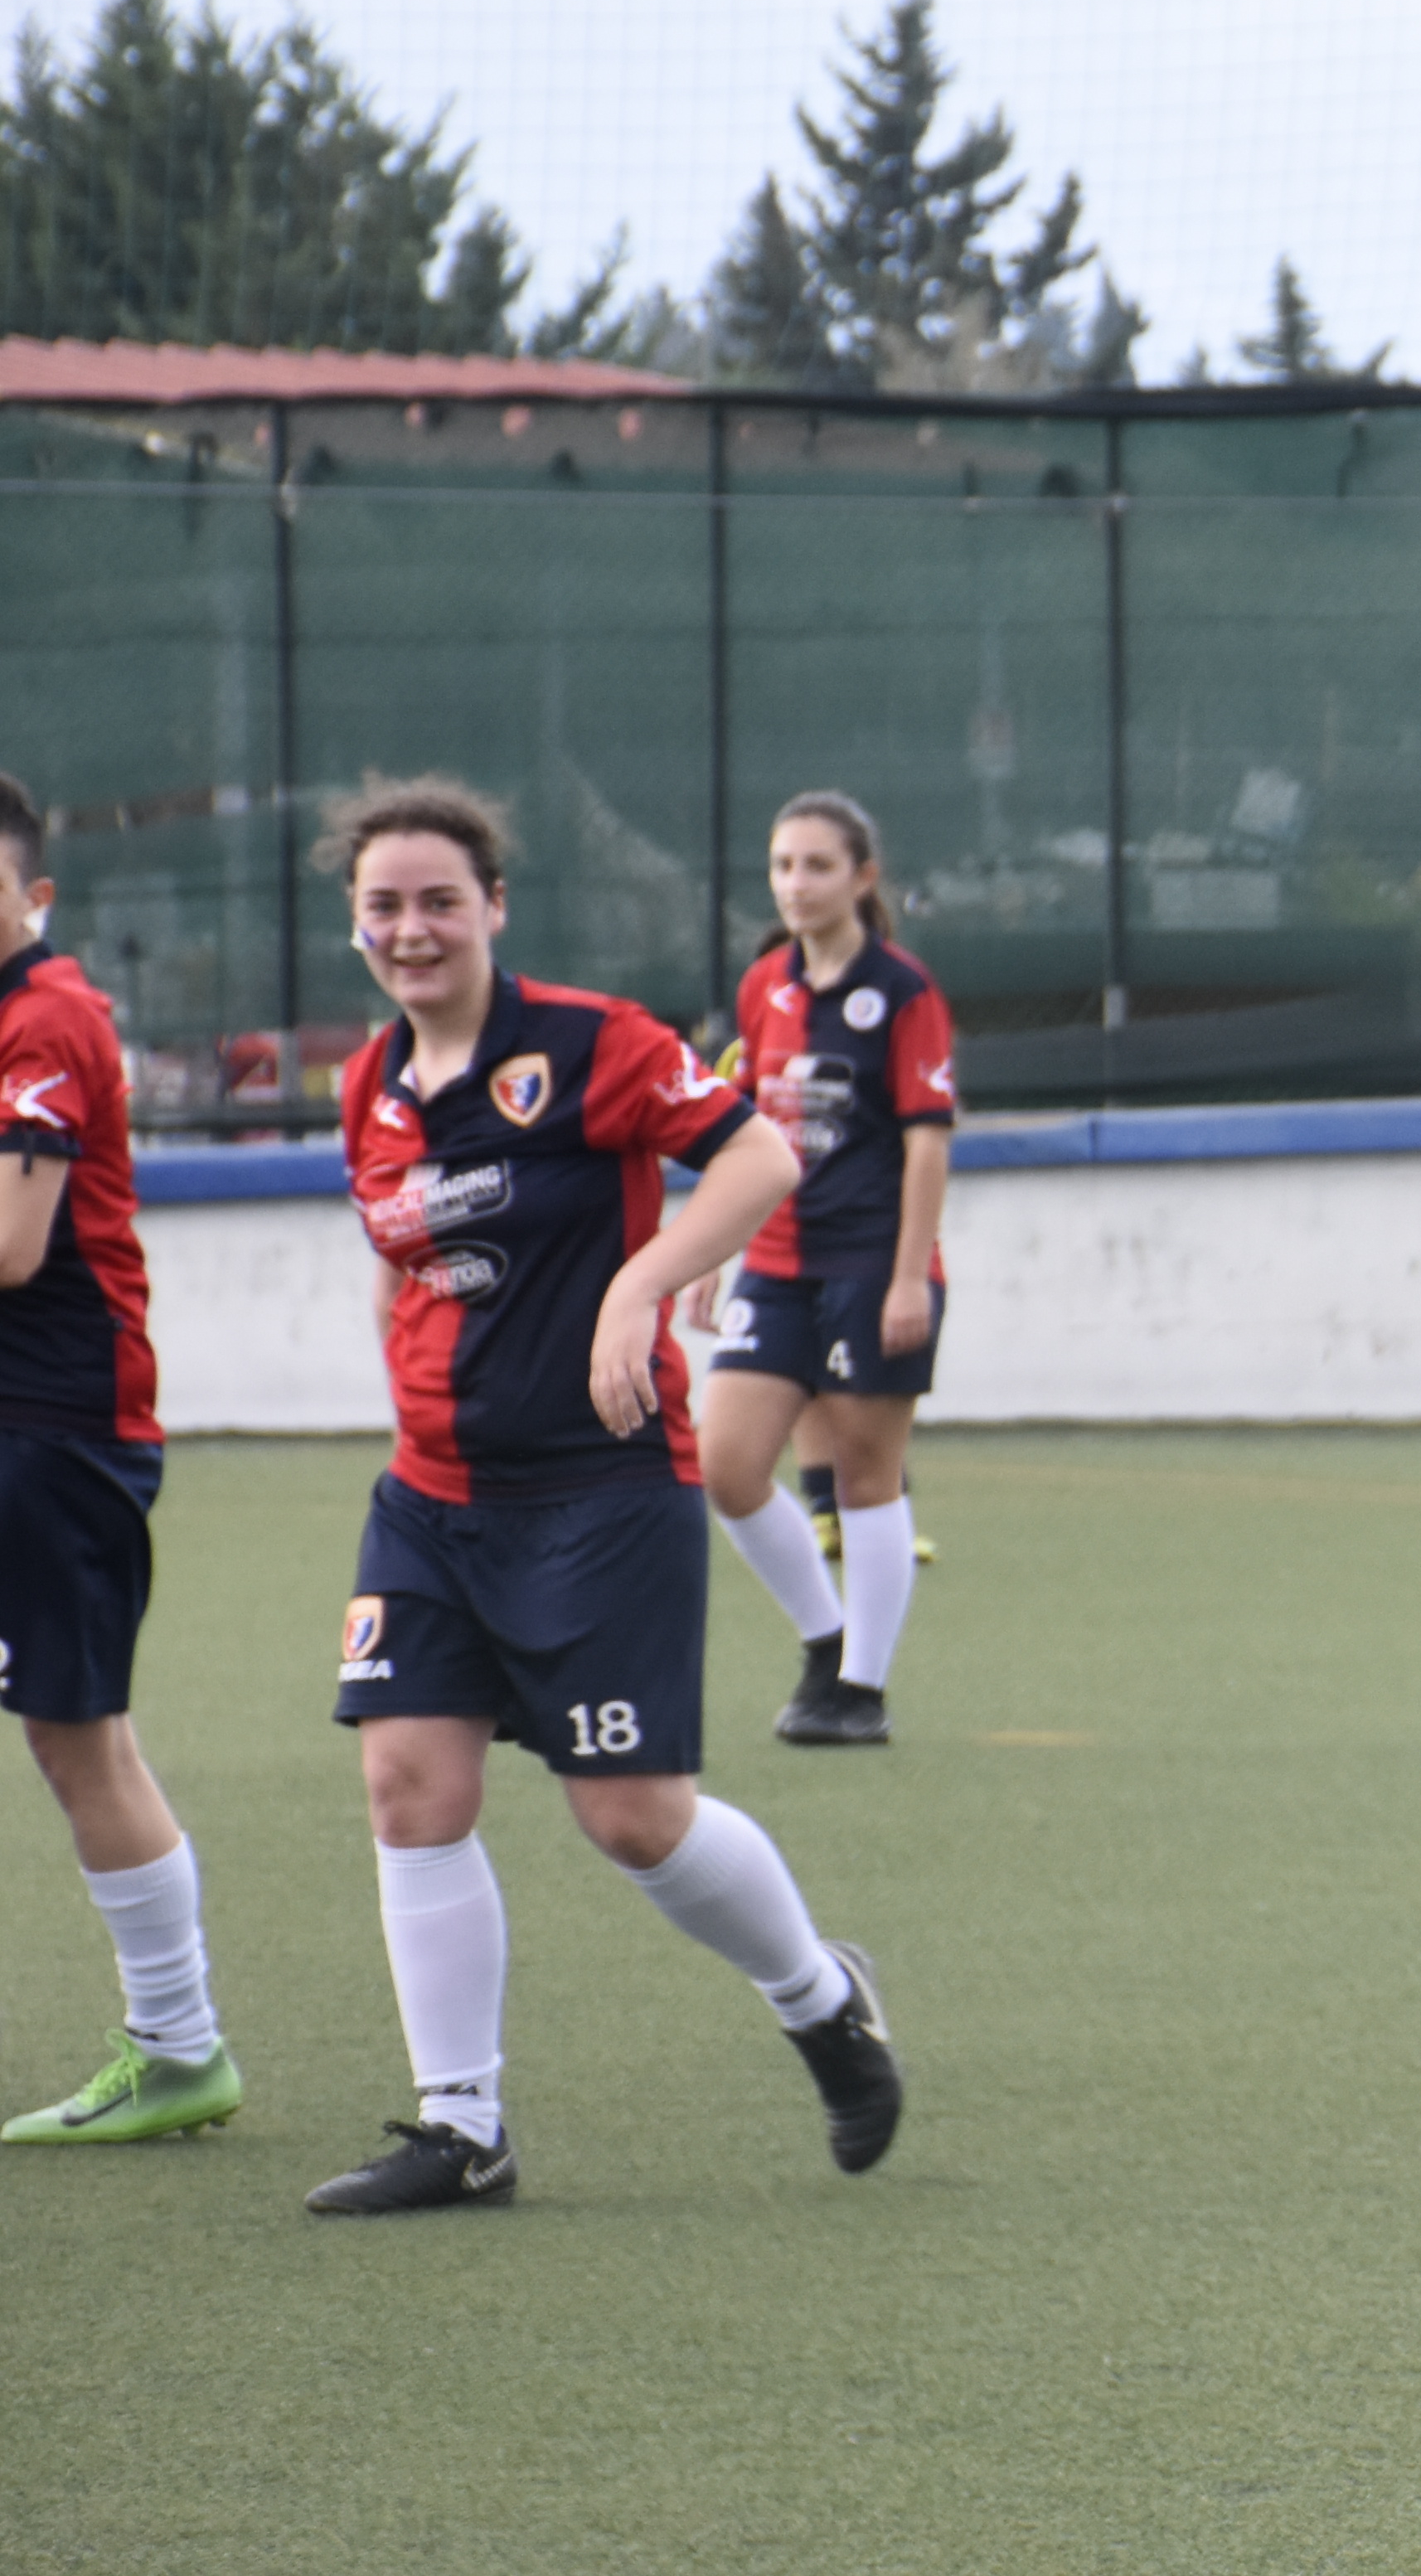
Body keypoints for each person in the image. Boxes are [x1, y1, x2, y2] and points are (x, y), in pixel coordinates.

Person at [307, 777, 902, 2215]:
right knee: (409, 1783)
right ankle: (465, 2131)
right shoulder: (367, 1083)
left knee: (632, 1816)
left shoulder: (593, 1043)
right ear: (356, 927)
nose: (413, 929)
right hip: (435, 1496)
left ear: (495, 908)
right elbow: (399, 1247)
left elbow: (757, 1152)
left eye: (441, 900)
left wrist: (644, 1280)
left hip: (602, 1489)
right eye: (383, 906)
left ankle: (822, 1999)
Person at [0, 774, 241, 2149]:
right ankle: (178, 2043)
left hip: (53, 1434)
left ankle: (178, 2046)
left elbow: (13, 1247)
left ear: (36, 896)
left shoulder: (48, 1017)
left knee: (78, 1740)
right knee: (75, 1736)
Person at [696, 790, 958, 1746]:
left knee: (864, 1474)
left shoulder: (903, 991)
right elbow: (741, 1133)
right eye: (781, 866)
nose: (796, 884)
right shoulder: (763, 985)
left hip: (869, 1263)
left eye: (815, 865)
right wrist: (709, 1248)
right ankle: (824, 1636)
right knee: (725, 1466)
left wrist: (905, 1278)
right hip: (775, 1263)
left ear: (862, 877)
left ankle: (860, 1690)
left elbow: (927, 1144)